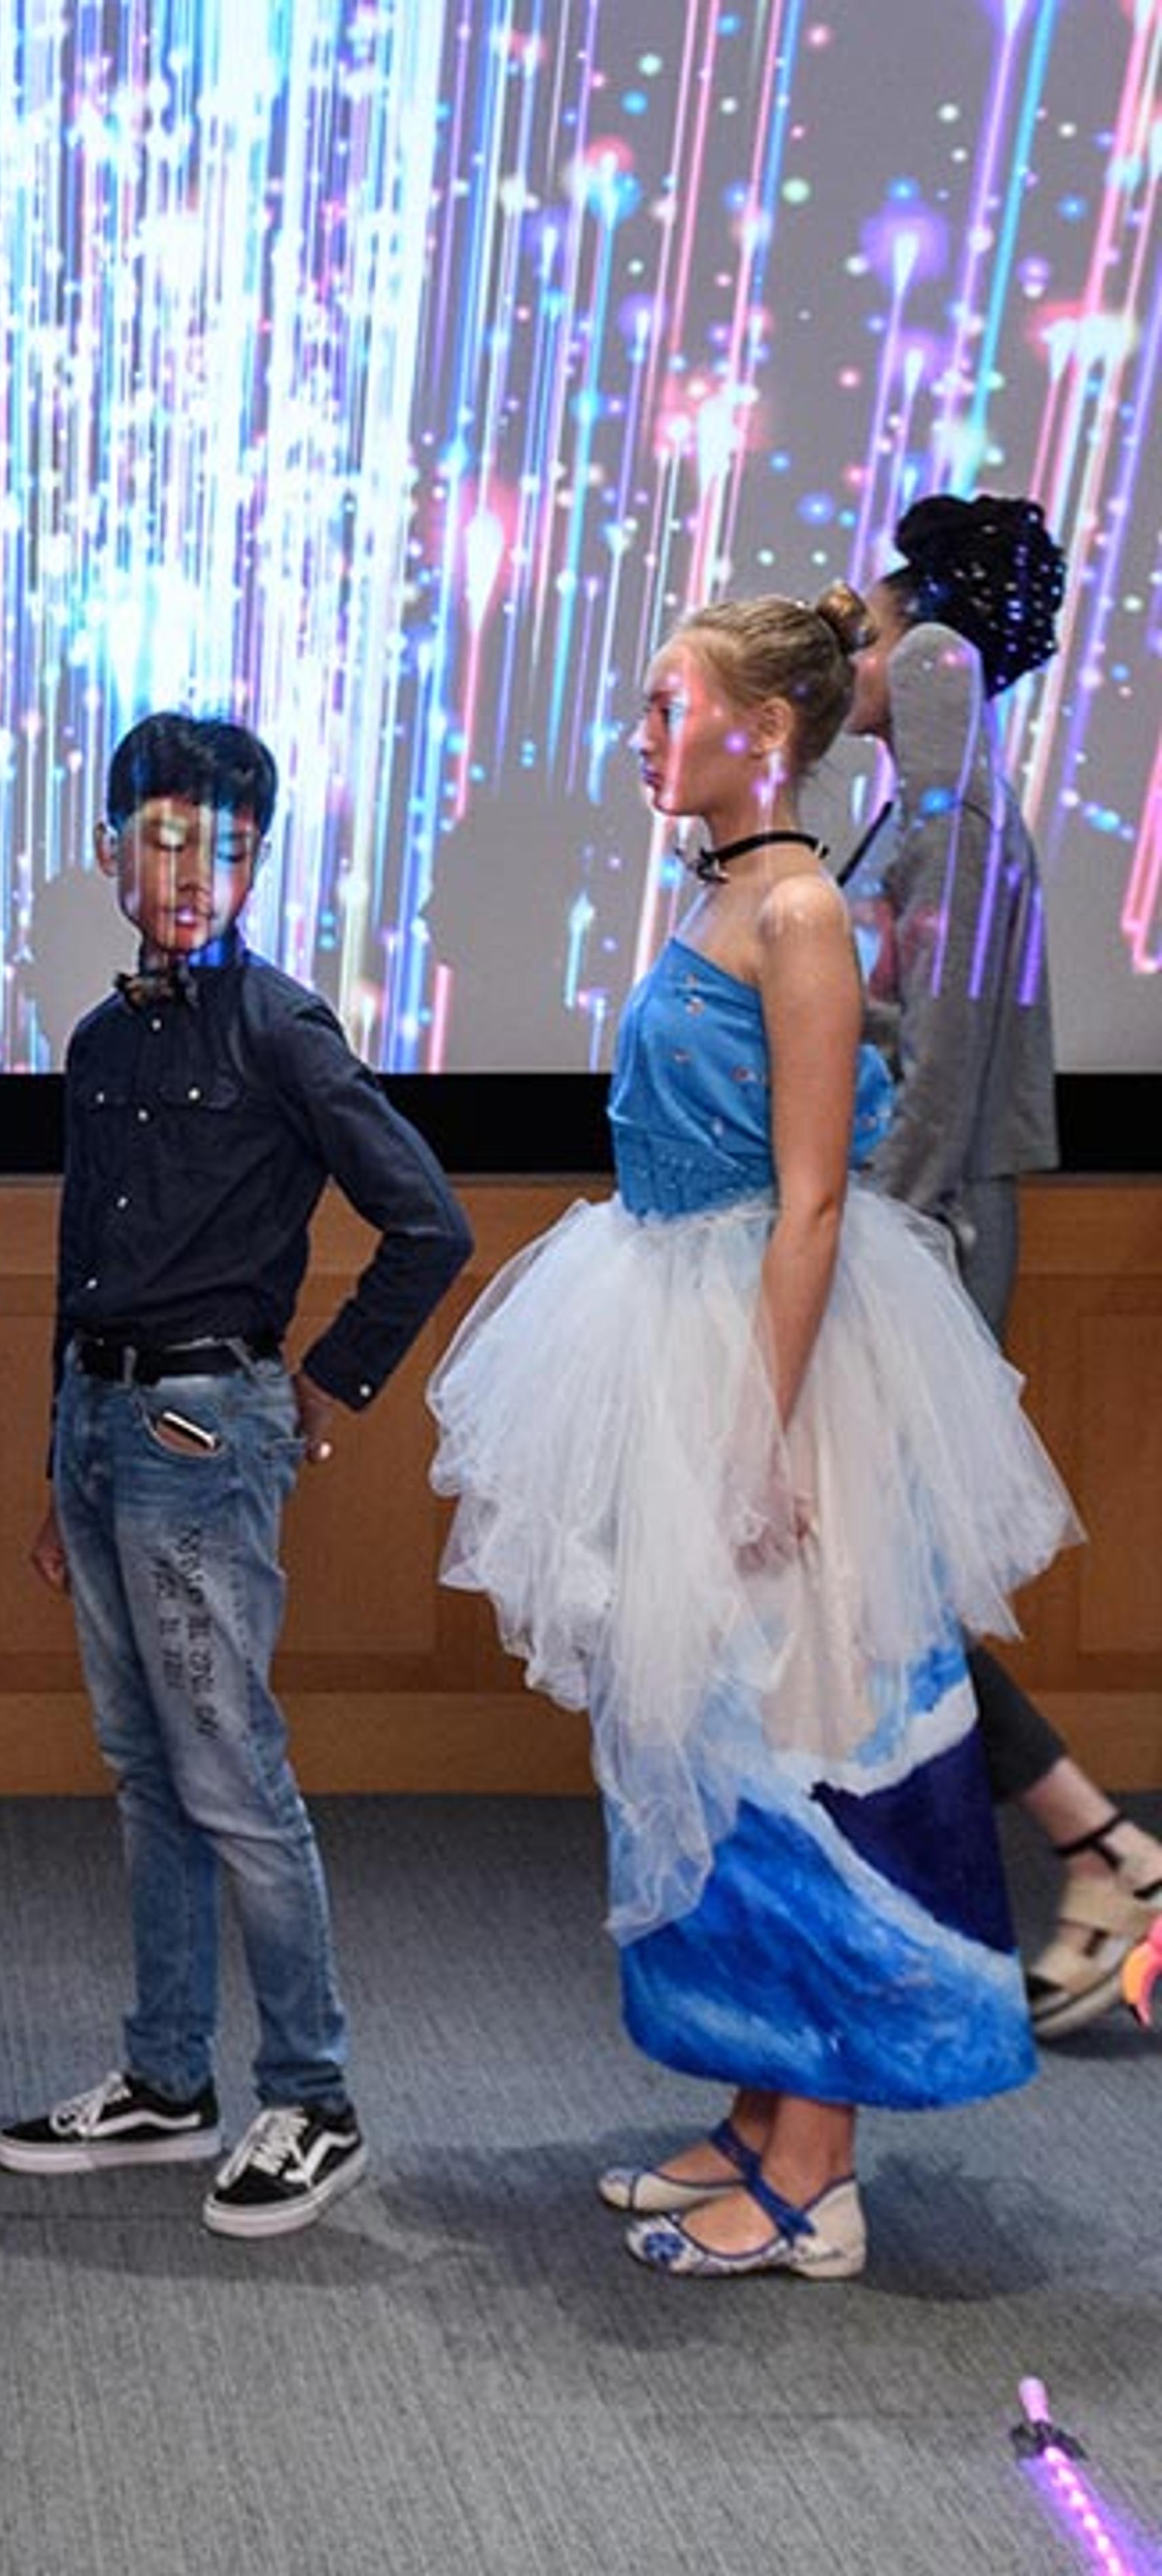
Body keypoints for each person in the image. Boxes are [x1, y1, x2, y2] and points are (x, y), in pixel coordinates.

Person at [428, 593, 1079, 2279]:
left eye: (669, 708)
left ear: (761, 730)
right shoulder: (728, 890)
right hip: (673, 1317)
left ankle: (820, 2169)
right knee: (701, 1739)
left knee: (796, 1748)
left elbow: (807, 1207)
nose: (646, 738)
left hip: (766, 1357)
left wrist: (757, 1441)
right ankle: (755, 2112)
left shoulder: (797, 908)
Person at [0, 714, 472, 2239]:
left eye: (230, 847)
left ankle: (311, 2093)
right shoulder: (99, 1038)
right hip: (100, 1424)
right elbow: (83, 1268)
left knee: (234, 1777)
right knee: (145, 1772)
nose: (194, 873)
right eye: (167, 838)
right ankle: (165, 2078)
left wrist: (322, 1382)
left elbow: (428, 1223)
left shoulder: (279, 1026)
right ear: (112, 848)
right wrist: (53, 1461)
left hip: (207, 1431)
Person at [841, 494, 1162, 2037]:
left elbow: (942, 1069)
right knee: (879, 1592)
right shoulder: (916, 815)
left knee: (888, 1592)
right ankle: (1096, 1850)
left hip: (927, 1233)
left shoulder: (955, 823)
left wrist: (859, 1249)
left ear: (936, 652)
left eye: (875, 628)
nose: (853, 649)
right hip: (905, 1225)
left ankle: (1102, 1850)